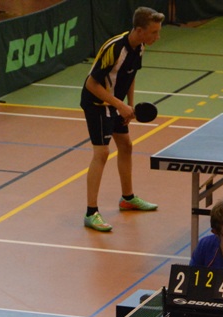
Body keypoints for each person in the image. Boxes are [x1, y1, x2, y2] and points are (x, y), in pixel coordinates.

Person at [81, 7, 164, 233]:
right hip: (97, 104)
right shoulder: (114, 48)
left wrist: (130, 106)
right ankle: (91, 212)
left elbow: (130, 75)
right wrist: (120, 105)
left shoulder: (140, 47)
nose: (158, 36)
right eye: (154, 32)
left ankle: (127, 199)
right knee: (102, 153)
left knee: (126, 146)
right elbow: (91, 84)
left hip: (116, 103)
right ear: (139, 30)